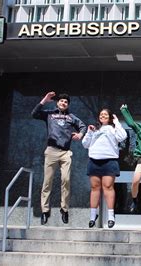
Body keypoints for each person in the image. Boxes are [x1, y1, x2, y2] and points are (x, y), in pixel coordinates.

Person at [32, 91, 86, 225]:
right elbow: (34, 114)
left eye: (66, 102)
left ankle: (64, 209)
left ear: (68, 105)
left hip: (65, 152)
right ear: (57, 102)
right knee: (47, 182)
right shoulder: (50, 114)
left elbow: (83, 126)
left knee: (66, 180)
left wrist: (80, 134)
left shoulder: (71, 117)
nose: (63, 103)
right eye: (61, 101)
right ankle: (45, 211)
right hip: (51, 151)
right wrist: (44, 100)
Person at [82, 109, 127, 228]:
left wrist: (117, 122)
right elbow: (85, 144)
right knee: (95, 188)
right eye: (101, 114)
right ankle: (93, 216)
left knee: (108, 187)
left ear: (110, 117)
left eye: (105, 114)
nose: (103, 116)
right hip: (94, 160)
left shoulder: (113, 129)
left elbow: (123, 136)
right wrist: (89, 132)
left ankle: (111, 216)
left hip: (109, 161)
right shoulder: (94, 129)